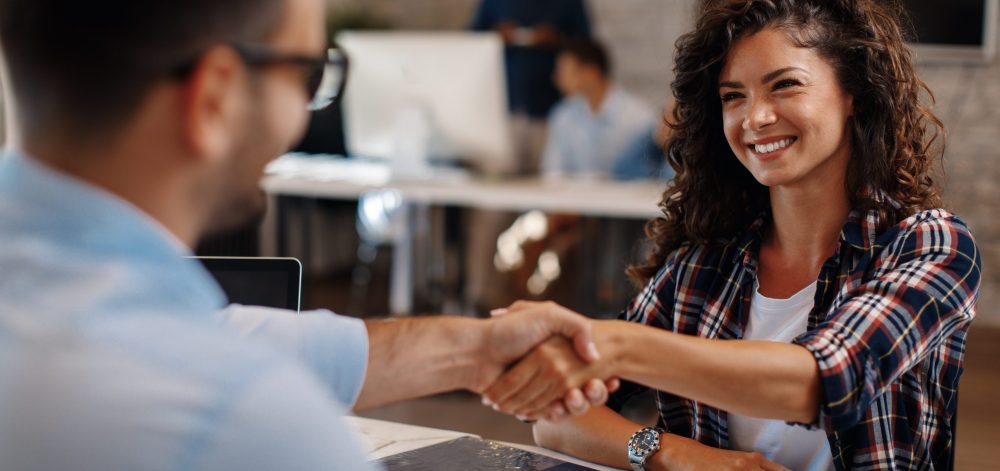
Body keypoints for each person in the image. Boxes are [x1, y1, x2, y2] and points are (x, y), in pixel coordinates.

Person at [0, 0, 616, 469]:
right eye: (307, 73)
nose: (304, 113)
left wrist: (477, 351)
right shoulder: (247, 423)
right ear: (214, 97)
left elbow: (239, 334)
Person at [480, 0, 982, 469]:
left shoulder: (930, 246)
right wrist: (678, 455)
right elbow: (555, 419)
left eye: (784, 85)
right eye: (733, 96)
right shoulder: (702, 267)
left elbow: (823, 381)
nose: (755, 118)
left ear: (853, 93)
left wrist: (612, 344)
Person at [470, 0, 592, 173]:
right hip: (505, 104)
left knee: (547, 176)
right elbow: (472, 38)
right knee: (501, 179)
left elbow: (586, 44)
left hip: (549, 106)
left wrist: (556, 39)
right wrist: (495, 35)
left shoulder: (569, 3)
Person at [541, 39, 657, 180]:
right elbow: (553, 174)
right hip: (573, 200)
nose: (557, 79)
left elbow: (649, 177)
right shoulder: (563, 115)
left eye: (564, 71)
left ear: (591, 73)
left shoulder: (639, 118)